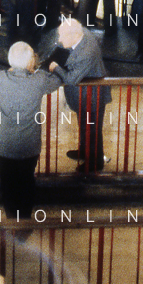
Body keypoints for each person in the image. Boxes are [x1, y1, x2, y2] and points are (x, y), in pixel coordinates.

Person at [0, 41, 61, 218]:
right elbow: (56, 81)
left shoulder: (1, 78)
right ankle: (25, 220)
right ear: (30, 61)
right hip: (29, 144)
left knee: (7, 185)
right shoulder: (39, 80)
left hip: (5, 143)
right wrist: (40, 70)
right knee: (27, 181)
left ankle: (11, 219)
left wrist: (8, 71)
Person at [49, 17, 111, 170]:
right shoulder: (81, 32)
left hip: (93, 97)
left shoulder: (86, 53)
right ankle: (84, 151)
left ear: (74, 36)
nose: (59, 40)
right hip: (85, 95)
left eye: (63, 36)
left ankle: (95, 163)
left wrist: (55, 68)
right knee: (85, 125)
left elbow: (71, 79)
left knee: (92, 130)